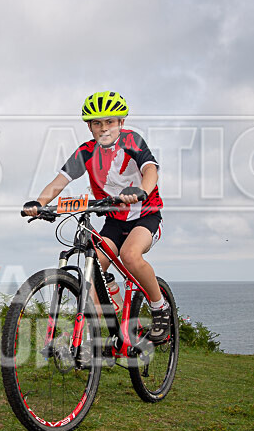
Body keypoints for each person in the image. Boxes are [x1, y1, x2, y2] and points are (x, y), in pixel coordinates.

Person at [22, 91, 170, 343]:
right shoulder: (86, 152)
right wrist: (40, 203)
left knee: (130, 256)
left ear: (121, 123)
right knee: (91, 270)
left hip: (146, 216)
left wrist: (142, 190)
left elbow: (150, 170)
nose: (104, 128)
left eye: (110, 122)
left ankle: (159, 308)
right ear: (89, 126)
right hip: (114, 221)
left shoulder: (132, 142)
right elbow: (60, 181)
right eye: (97, 123)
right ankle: (103, 329)